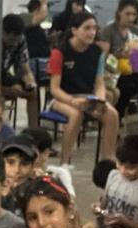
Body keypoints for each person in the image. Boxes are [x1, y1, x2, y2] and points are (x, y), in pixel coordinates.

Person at [47, 12, 120, 165]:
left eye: (94, 28)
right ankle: (65, 162)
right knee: (75, 115)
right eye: (86, 28)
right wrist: (73, 101)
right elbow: (54, 89)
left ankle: (108, 161)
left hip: (87, 97)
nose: (92, 32)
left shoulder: (97, 52)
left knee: (112, 114)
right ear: (74, 30)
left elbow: (99, 82)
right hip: (61, 98)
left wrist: (100, 99)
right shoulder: (59, 52)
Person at [100, 0, 138, 136]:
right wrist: (120, 53)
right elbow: (103, 58)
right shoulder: (109, 31)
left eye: (133, 14)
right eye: (127, 14)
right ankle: (117, 120)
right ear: (119, 12)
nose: (130, 18)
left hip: (131, 68)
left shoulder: (136, 31)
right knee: (127, 87)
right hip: (114, 71)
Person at [0, 14, 39, 129]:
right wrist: (7, 90)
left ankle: (33, 130)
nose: (15, 43)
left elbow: (26, 69)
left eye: (17, 39)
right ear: (3, 32)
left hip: (4, 74)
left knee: (33, 93)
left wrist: (30, 83)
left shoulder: (20, 40)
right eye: (11, 39)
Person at [0, 134, 39, 217]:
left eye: (24, 164)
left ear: (33, 166)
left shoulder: (38, 191)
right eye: (10, 162)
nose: (17, 170)